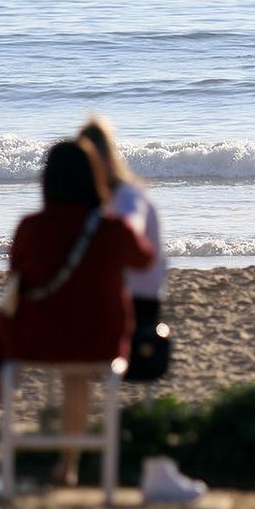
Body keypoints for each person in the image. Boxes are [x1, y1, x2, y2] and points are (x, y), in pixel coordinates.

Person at [0, 139, 154, 484]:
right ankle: (68, 466)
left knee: (4, 359)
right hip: (95, 341)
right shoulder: (111, 230)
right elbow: (145, 258)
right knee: (76, 376)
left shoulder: (30, 228)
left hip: (33, 340)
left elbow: (17, 277)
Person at [77, 118, 166, 370]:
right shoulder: (96, 198)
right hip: (110, 294)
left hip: (139, 301)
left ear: (107, 161)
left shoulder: (128, 195)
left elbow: (130, 232)